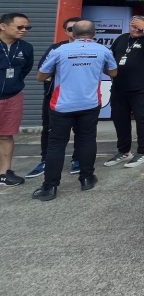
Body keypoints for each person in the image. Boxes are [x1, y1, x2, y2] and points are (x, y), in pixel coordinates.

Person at [33, 20, 117, 200]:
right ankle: (87, 178)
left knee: (56, 144)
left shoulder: (59, 50)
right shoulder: (103, 50)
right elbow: (113, 73)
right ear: (94, 33)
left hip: (62, 105)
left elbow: (40, 76)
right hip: (90, 103)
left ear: (73, 33)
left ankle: (50, 187)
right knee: (87, 140)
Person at [26, 17, 82, 179]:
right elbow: (43, 72)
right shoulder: (56, 49)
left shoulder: (92, 49)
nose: (74, 32)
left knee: (81, 131)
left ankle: (78, 159)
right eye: (70, 29)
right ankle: (46, 160)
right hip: (56, 98)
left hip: (82, 99)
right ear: (65, 31)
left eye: (78, 28)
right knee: (50, 130)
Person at [104, 15, 144, 168]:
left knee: (142, 119)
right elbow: (110, 59)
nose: (136, 28)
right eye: (133, 24)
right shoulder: (121, 39)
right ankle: (124, 151)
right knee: (120, 119)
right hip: (119, 87)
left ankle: (143, 152)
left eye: (139, 25)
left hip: (141, 87)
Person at [0, 12, 33, 187]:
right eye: (20, 27)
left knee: (6, 135)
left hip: (12, 97)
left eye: (27, 27)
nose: (24, 30)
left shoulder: (26, 48)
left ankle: (4, 173)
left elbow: (25, 69)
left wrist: (13, 85)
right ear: (3, 26)